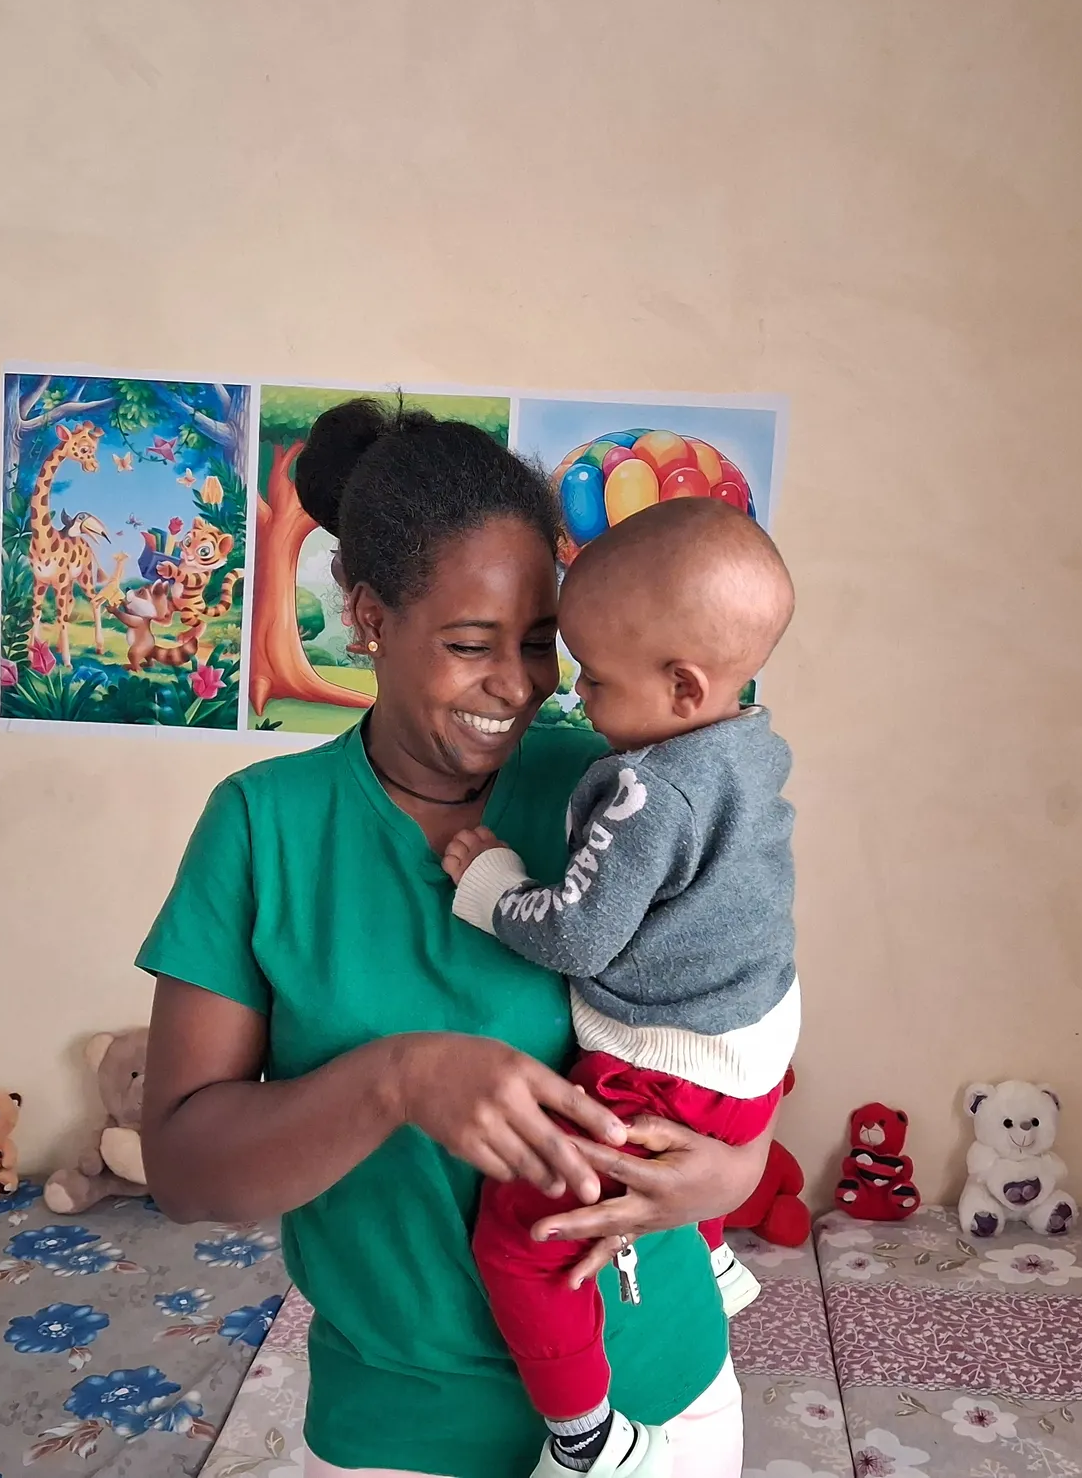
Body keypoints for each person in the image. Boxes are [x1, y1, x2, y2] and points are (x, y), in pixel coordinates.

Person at [136, 399, 773, 1478]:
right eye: (471, 645)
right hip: (406, 1430)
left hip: (663, 1398)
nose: (518, 686)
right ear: (370, 619)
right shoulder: (264, 828)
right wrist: (399, 1081)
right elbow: (186, 1172)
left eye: (540, 644)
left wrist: (730, 1175)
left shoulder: (615, 791)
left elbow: (739, 1013)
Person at [442, 499, 798, 1478]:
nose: (575, 694)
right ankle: (711, 1253)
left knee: (523, 1239)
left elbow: (578, 931)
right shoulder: (752, 744)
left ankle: (588, 1437)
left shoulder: (649, 790)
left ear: (682, 686)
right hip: (756, 1046)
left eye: (593, 677)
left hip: (668, 1066)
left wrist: (493, 888)